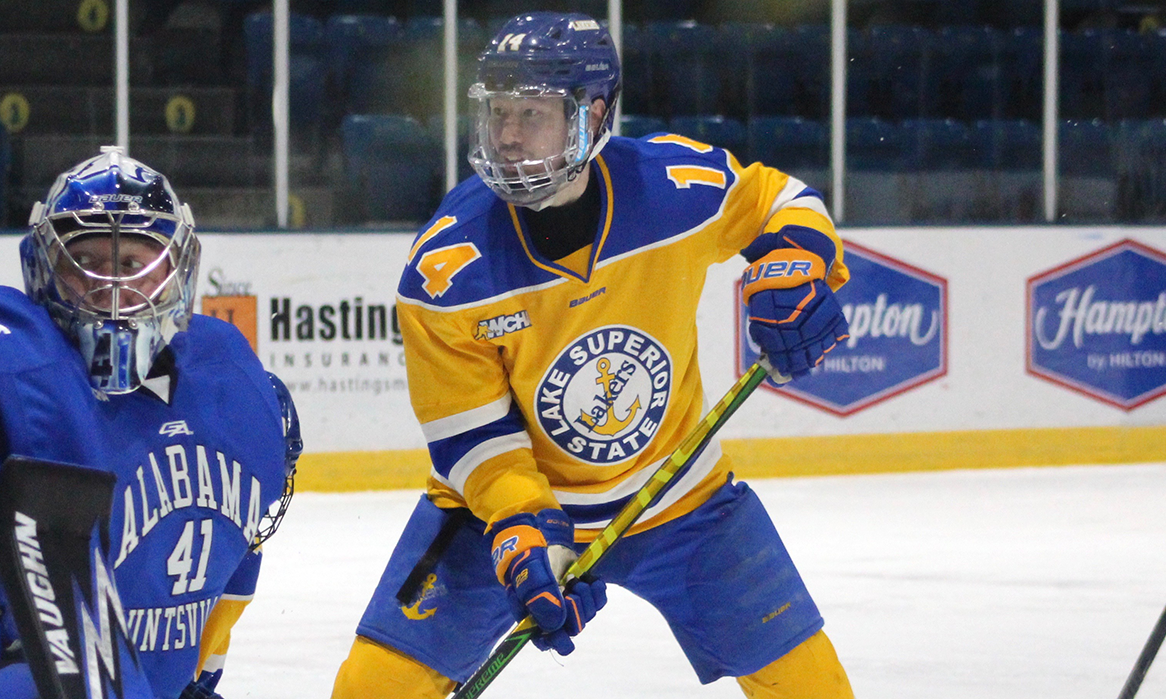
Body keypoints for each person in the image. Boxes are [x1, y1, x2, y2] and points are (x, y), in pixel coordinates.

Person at [331, 11, 853, 699]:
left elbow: (778, 199)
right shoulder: (446, 270)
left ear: (593, 114)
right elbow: (474, 437)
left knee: (816, 688)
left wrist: (799, 261)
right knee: (372, 689)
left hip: (677, 494)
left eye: (532, 114)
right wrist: (524, 532)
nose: (509, 136)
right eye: (498, 114)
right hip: (504, 513)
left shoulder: (673, 188)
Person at [0, 146, 301, 699]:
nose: (110, 288)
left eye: (132, 264)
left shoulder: (235, 387)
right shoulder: (18, 370)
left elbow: (230, 569)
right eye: (85, 261)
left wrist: (196, 681)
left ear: (175, 274)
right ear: (45, 269)